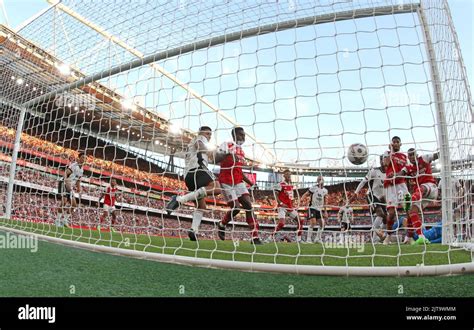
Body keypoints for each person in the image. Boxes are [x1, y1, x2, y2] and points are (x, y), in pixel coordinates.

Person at [166, 126, 222, 241]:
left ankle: (193, 230)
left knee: (201, 206)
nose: (209, 136)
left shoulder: (194, 143)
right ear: (201, 133)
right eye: (207, 134)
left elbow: (209, 154)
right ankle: (179, 199)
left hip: (188, 176)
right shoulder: (200, 138)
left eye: (210, 135)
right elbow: (200, 146)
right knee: (217, 188)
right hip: (199, 169)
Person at [215, 127, 262, 244]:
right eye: (241, 135)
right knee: (236, 208)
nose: (243, 137)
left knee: (248, 206)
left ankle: (254, 237)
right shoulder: (227, 144)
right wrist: (227, 153)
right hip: (226, 181)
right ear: (234, 134)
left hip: (238, 181)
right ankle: (222, 224)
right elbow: (216, 159)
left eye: (244, 135)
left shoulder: (241, 152)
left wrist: (251, 183)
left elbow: (239, 171)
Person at [395, 149, 439, 244]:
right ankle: (419, 236)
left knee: (419, 189)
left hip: (430, 187)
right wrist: (394, 175)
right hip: (421, 195)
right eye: (409, 155)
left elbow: (436, 155)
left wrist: (441, 153)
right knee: (412, 211)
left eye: (413, 155)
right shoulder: (408, 167)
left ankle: (410, 236)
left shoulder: (424, 158)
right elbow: (400, 174)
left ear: (416, 154)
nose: (411, 157)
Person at [350, 155, 386, 243]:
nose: (383, 161)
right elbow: (363, 182)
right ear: (380, 161)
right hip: (371, 195)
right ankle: (376, 231)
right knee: (380, 214)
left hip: (383, 198)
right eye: (382, 159)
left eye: (385, 159)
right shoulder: (374, 171)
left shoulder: (390, 173)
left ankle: (375, 239)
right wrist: (356, 193)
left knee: (386, 218)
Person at [382, 136, 409, 245]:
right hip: (390, 185)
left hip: (402, 185)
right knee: (392, 213)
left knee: (409, 209)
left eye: (397, 142)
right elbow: (386, 164)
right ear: (391, 143)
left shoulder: (404, 156)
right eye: (394, 142)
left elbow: (406, 171)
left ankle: (409, 236)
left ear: (400, 144)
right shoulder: (387, 152)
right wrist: (391, 152)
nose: (396, 143)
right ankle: (388, 236)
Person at [269, 169, 304, 243]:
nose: (289, 175)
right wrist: (280, 203)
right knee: (281, 223)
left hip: (290, 207)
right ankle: (270, 237)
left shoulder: (291, 186)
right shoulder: (281, 184)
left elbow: (290, 197)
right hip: (282, 207)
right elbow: (275, 194)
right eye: (287, 174)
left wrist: (293, 203)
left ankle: (299, 239)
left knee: (300, 221)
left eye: (289, 174)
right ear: (284, 176)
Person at [56, 152, 86, 227]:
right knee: (64, 202)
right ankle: (57, 220)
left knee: (74, 205)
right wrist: (66, 183)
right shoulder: (74, 165)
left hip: (70, 186)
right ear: (79, 158)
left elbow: (78, 180)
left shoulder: (82, 169)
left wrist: (79, 188)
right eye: (82, 157)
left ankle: (64, 220)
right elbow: (66, 173)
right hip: (63, 183)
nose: (84, 159)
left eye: (85, 158)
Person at [301, 176, 328, 243]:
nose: (320, 180)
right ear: (317, 181)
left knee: (322, 224)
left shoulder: (325, 191)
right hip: (312, 208)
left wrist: (325, 211)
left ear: (323, 180)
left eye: (321, 179)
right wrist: (301, 199)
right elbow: (306, 194)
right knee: (313, 223)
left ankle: (317, 239)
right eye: (319, 179)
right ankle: (308, 239)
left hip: (319, 209)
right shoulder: (314, 188)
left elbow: (325, 201)